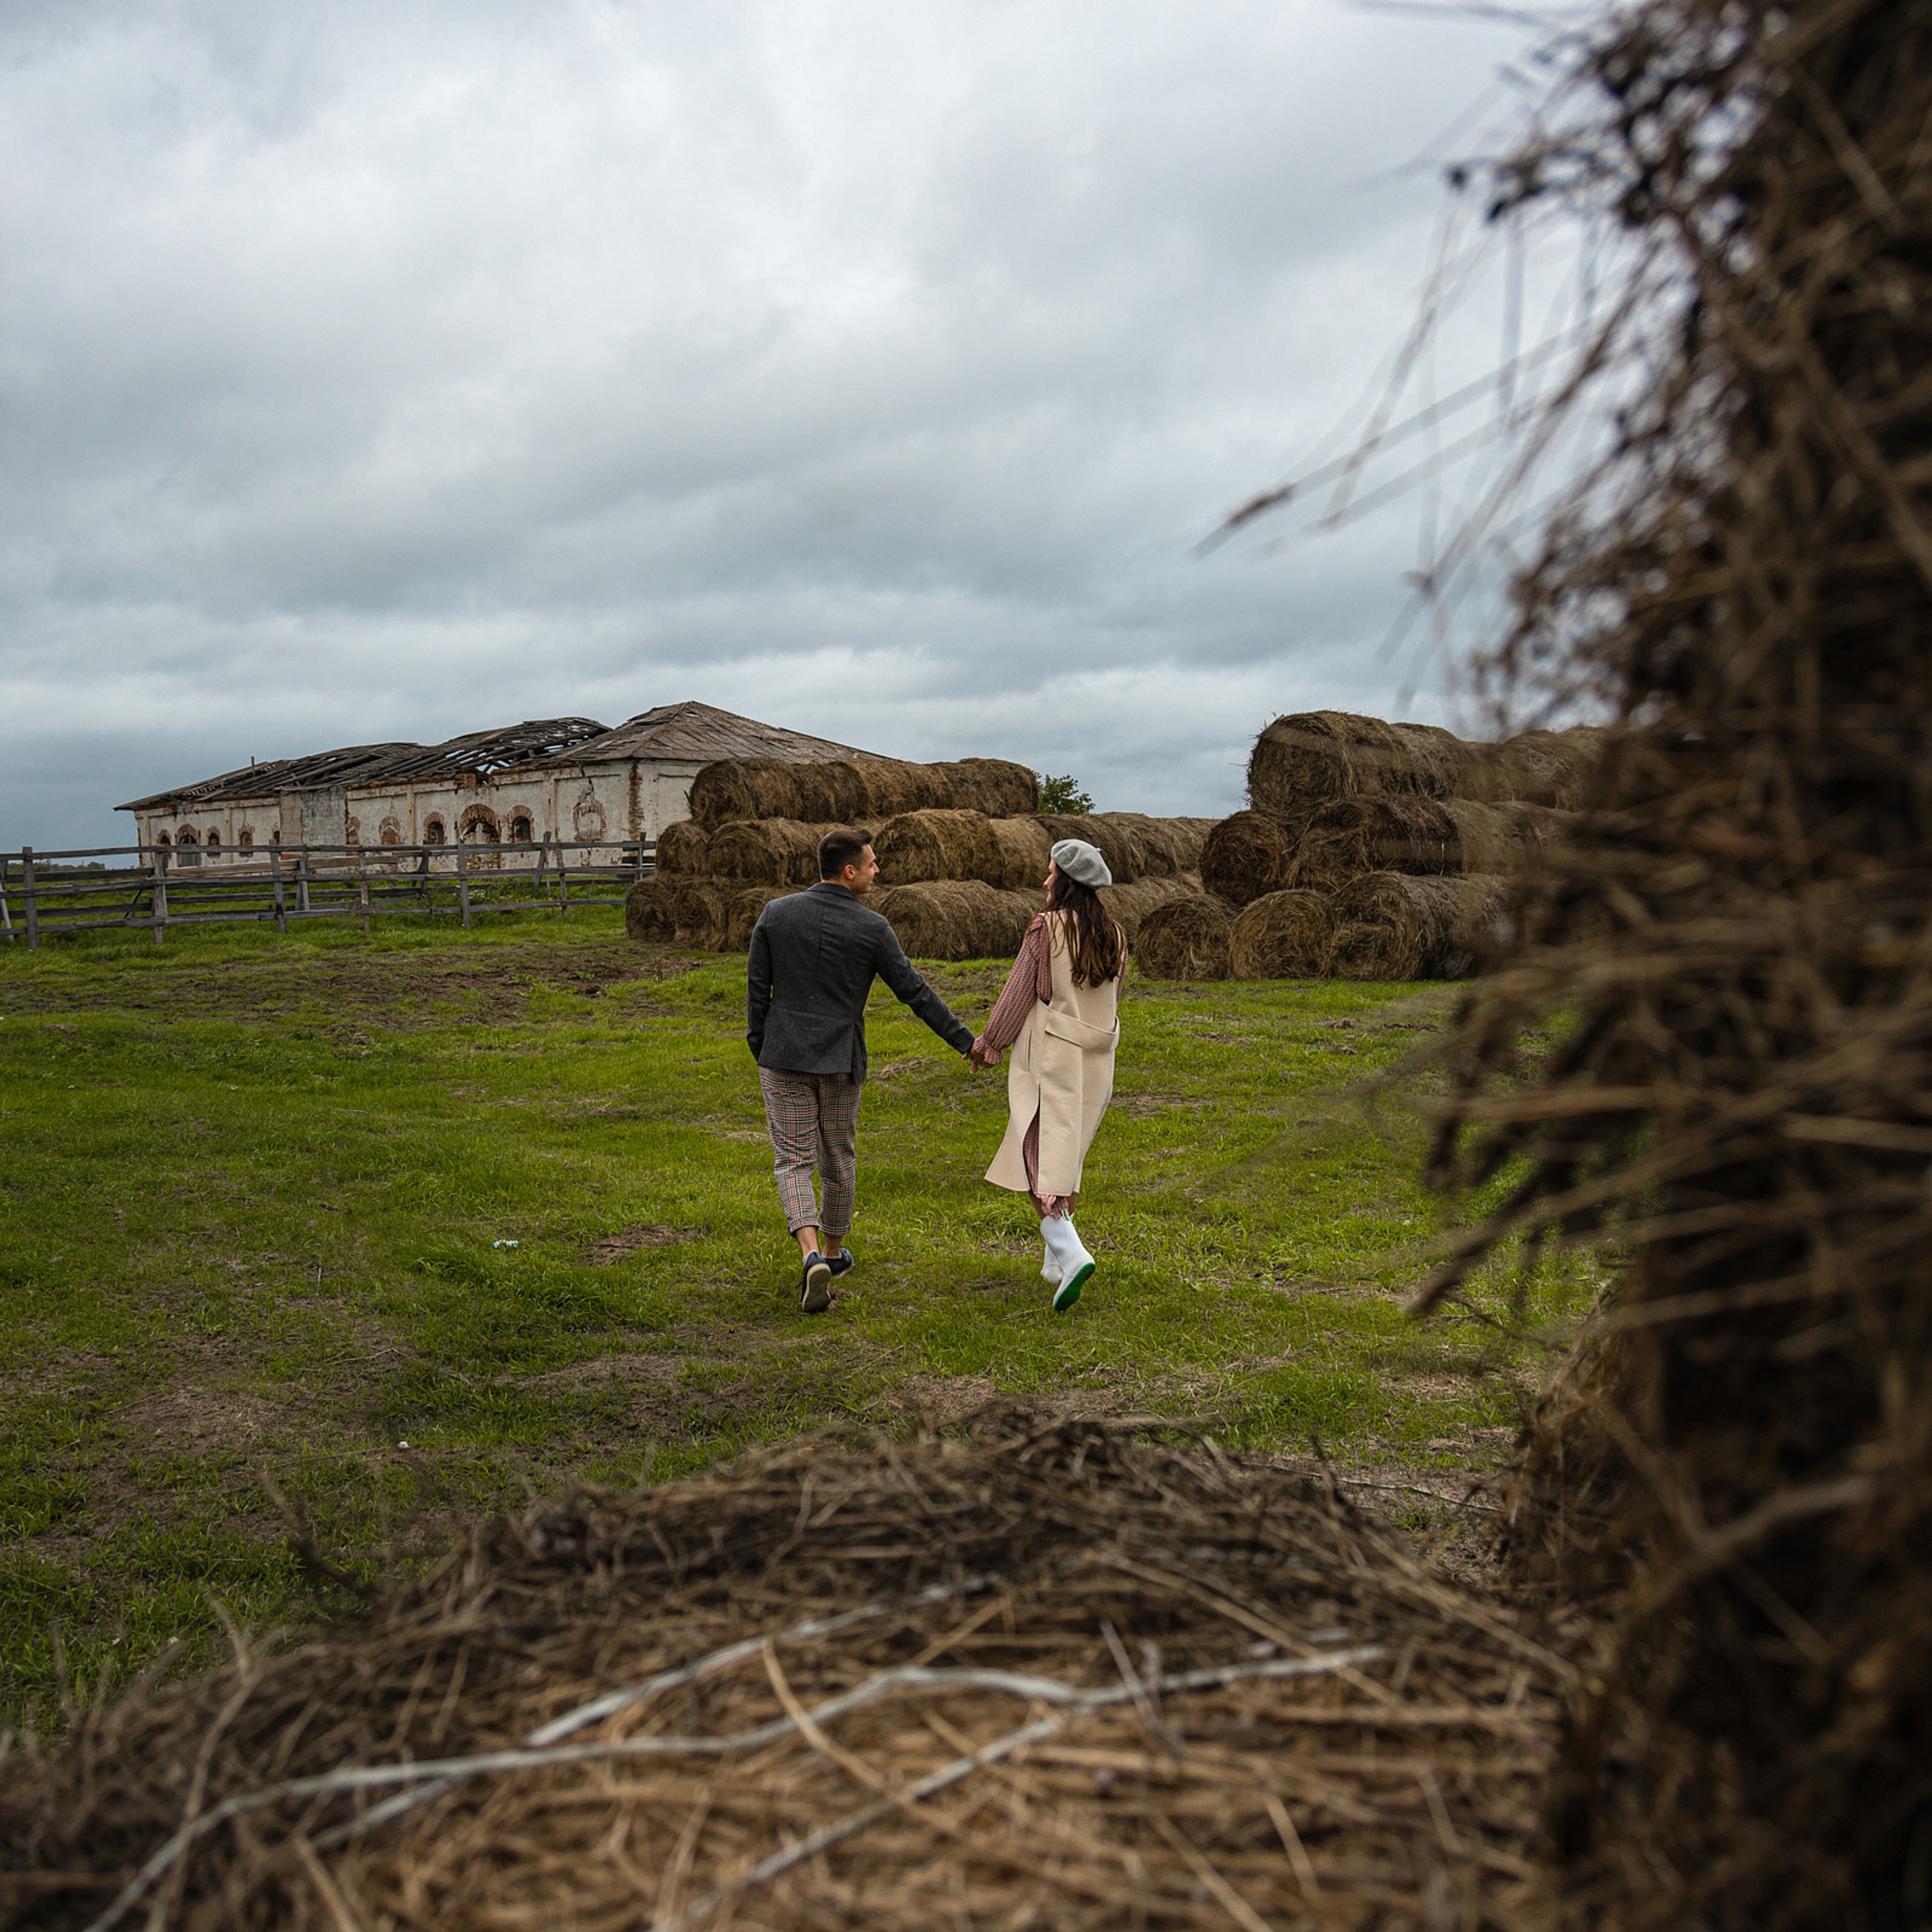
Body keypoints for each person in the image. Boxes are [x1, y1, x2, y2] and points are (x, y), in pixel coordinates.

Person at [747, 825, 977, 1312]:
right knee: (838, 1157)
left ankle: (812, 1255)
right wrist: (966, 1042)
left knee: (792, 1159)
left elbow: (757, 991)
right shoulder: (873, 928)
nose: (878, 870)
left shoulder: (776, 914)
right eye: (872, 864)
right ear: (849, 872)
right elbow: (915, 992)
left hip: (782, 1053)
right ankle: (832, 1252)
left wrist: (761, 1044)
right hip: (840, 1059)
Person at [969, 838, 1125, 1311]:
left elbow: (1019, 991)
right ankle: (1053, 1263)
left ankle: (1072, 1254)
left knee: (1038, 1155)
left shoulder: (1046, 929)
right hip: (1096, 1061)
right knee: (1067, 1153)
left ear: (1066, 881)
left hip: (1053, 1057)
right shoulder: (1115, 935)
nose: (1045, 880)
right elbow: (1114, 999)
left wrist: (989, 1043)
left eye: (1050, 872)